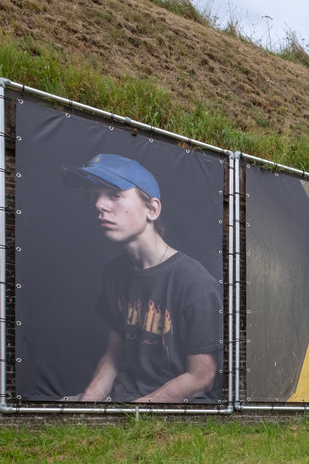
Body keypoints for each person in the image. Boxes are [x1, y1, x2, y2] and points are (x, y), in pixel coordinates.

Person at [67, 153, 222, 403]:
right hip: (122, 399)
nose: (99, 205)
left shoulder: (196, 283)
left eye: (114, 194)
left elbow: (201, 376)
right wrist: (87, 405)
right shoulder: (114, 273)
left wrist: (134, 413)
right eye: (93, 196)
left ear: (152, 208)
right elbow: (115, 355)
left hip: (173, 410)